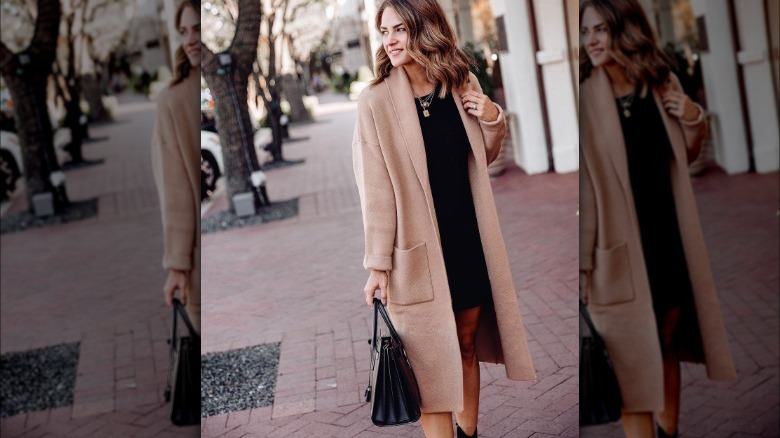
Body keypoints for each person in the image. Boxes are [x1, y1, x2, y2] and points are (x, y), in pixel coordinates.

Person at [351, 1, 535, 436]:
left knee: (466, 345)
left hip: (466, 238)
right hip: (414, 251)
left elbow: (482, 156)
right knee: (428, 367)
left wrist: (492, 118)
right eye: (384, 31)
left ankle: (469, 432)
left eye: (400, 29)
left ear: (425, 28)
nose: (390, 40)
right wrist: (378, 265)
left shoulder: (459, 81)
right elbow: (375, 192)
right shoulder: (375, 102)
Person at [578, 1, 736, 437]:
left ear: (625, 30)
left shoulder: (660, 81)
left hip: (666, 237)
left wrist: (693, 117)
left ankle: (669, 431)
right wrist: (583, 268)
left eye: (600, 29)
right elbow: (585, 191)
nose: (591, 40)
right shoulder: (585, 97)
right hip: (613, 247)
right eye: (585, 31)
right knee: (628, 364)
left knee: (665, 341)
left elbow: (683, 156)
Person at [151, 0, 201, 333]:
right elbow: (175, 191)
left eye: (198, 29)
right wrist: (178, 266)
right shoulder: (173, 100)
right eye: (183, 32)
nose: (190, 40)